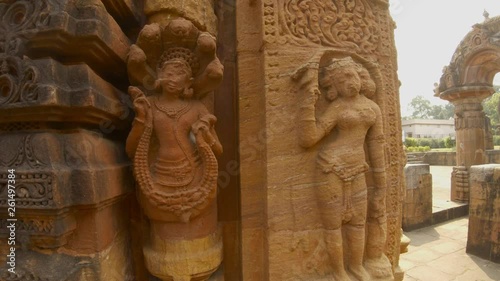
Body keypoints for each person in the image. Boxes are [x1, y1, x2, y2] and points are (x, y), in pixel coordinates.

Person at [298, 57, 387, 281]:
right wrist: (307, 103)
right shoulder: (337, 108)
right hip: (330, 167)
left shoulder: (372, 108)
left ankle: (356, 266)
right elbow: (309, 140)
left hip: (358, 168)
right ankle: (338, 271)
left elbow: (376, 145)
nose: (349, 82)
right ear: (334, 87)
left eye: (352, 75)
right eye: (342, 80)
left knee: (358, 223)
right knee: (333, 226)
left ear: (360, 76)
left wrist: (381, 185)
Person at [126, 48, 222, 222]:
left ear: (188, 83)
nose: (173, 80)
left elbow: (219, 150)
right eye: (169, 74)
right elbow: (130, 148)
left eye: (180, 76)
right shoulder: (150, 105)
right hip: (158, 179)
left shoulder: (197, 107)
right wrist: (141, 119)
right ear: (159, 75)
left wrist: (205, 135)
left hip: (196, 175)